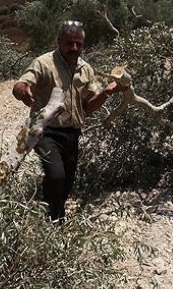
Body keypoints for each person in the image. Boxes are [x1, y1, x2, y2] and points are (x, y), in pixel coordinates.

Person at [12, 20, 120, 221]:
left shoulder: (87, 69)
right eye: (69, 43)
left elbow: (87, 107)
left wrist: (105, 93)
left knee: (67, 180)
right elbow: (22, 83)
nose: (74, 48)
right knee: (56, 175)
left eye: (79, 44)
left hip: (72, 133)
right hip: (45, 131)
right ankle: (55, 219)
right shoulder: (43, 63)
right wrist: (22, 91)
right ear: (59, 41)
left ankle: (52, 208)